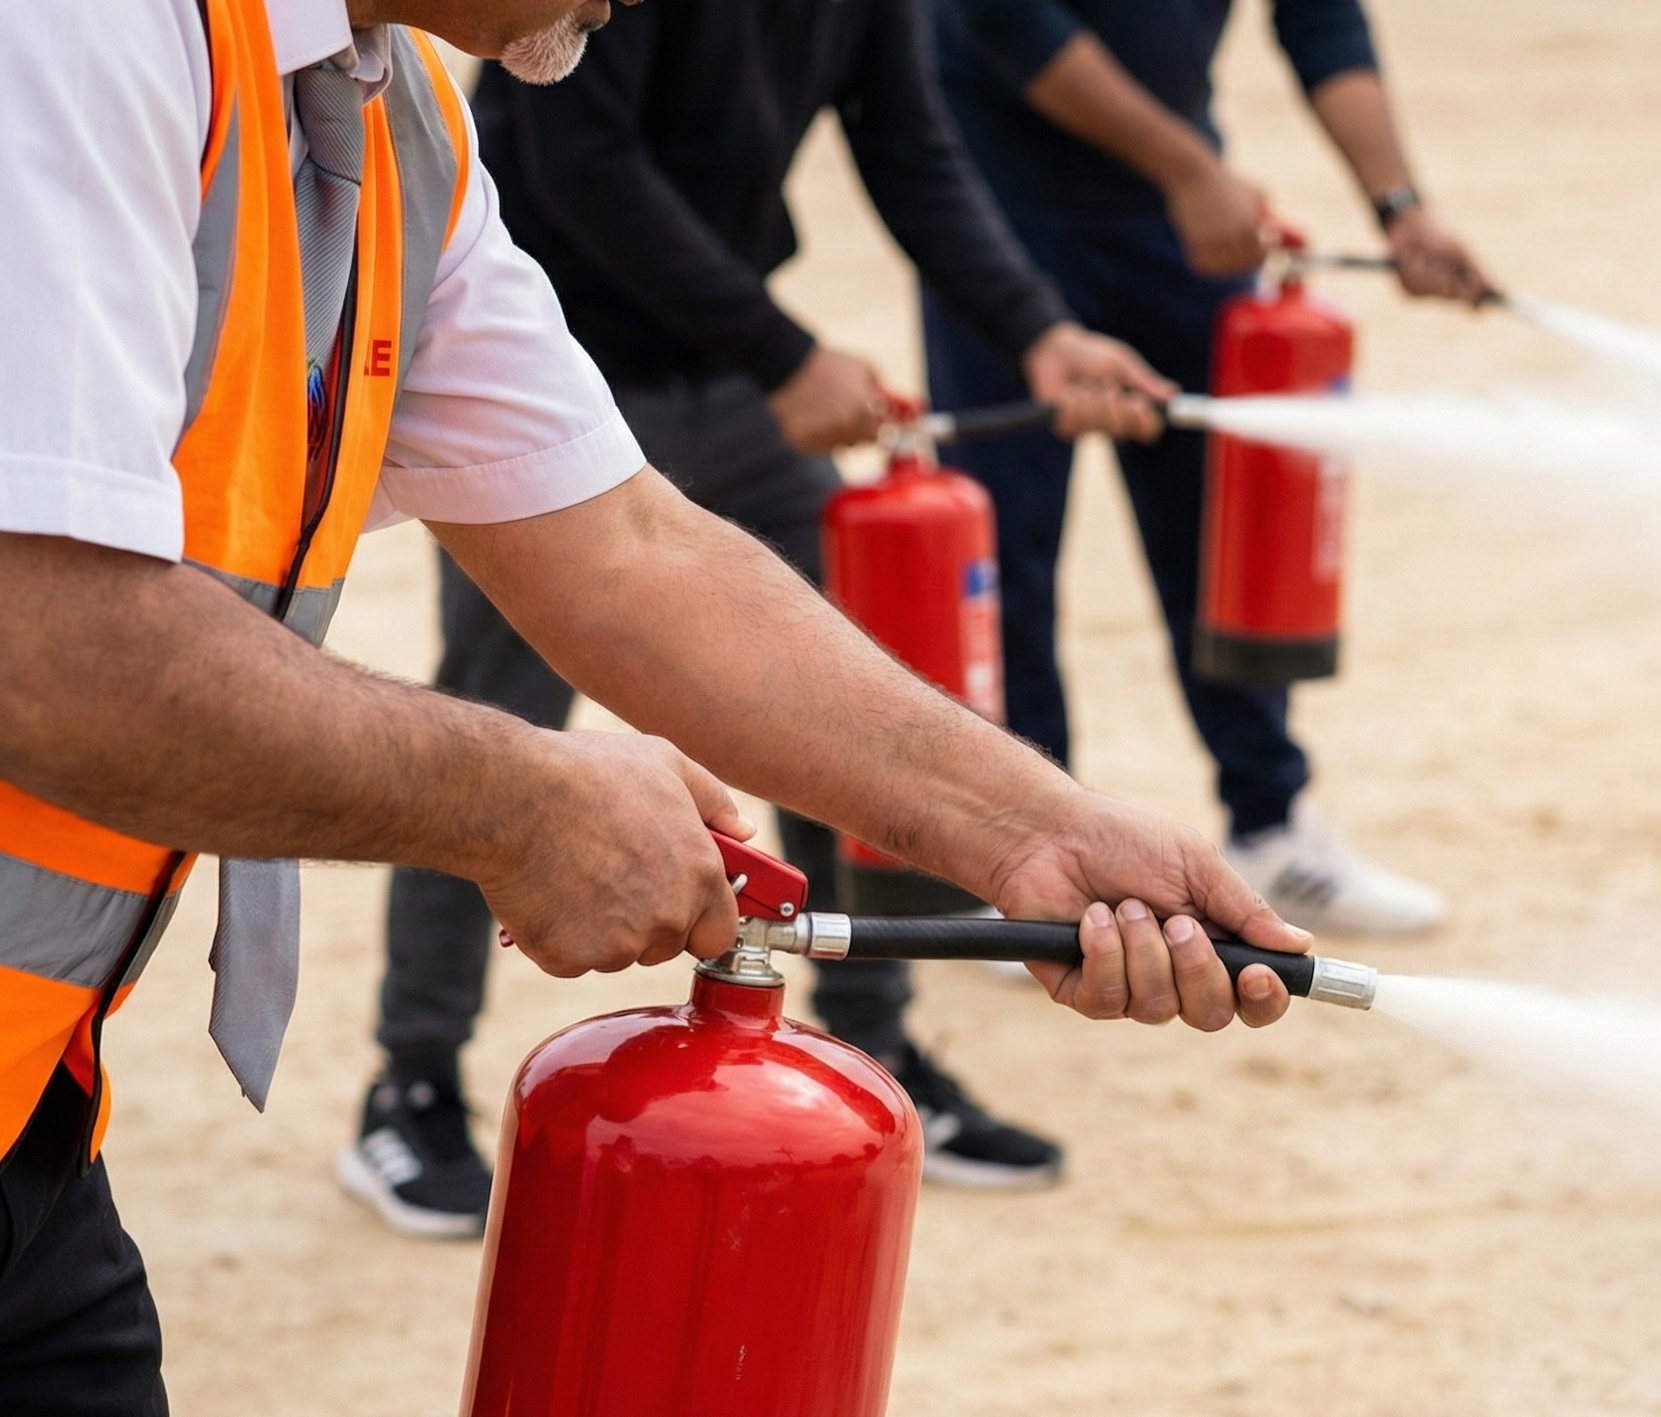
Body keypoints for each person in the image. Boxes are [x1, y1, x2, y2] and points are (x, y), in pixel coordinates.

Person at [0, 0, 1308, 1408]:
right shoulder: (77, 32)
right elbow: (45, 641)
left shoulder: (394, 129)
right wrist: (522, 800)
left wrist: (1033, 833)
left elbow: (626, 550)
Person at [344, 0, 1177, 1241]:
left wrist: (1037, 331)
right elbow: (583, 162)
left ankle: (881, 1041)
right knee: (499, 718)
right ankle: (410, 1083)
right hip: (553, 368)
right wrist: (787, 352)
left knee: (836, 687)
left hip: (732, 378)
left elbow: (912, 149)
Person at [922, 0, 1499, 936]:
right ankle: (1019, 868)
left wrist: (1401, 209)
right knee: (1005, 551)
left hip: (1178, 228)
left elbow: (1322, 23)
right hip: (999, 225)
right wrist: (1191, 169)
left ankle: (1271, 821)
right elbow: (1003, 19)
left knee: (1228, 528)